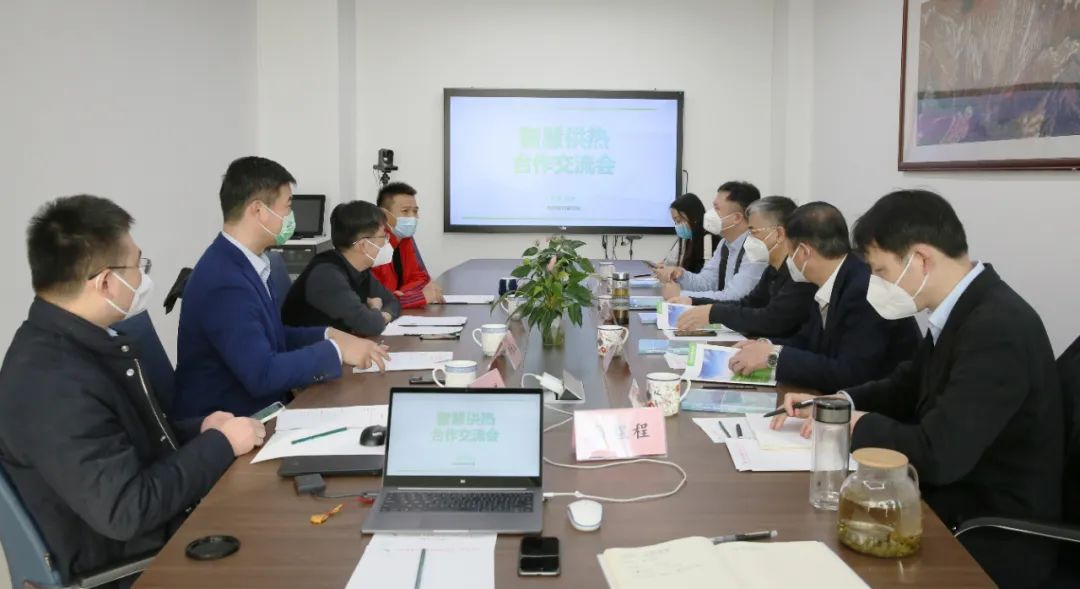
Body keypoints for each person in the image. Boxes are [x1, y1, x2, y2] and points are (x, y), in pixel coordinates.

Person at [772, 190, 1063, 589]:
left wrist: (855, 424)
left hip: (985, 531)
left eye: (881, 271)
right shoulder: (964, 309)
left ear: (921, 259)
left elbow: (939, 454)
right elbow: (905, 385)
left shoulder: (997, 328)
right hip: (945, 501)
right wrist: (840, 402)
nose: (875, 284)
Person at [0, 195, 265, 587]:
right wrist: (221, 445)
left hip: (157, 532)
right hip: (133, 566)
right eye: (139, 266)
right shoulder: (51, 384)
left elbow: (127, 440)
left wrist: (202, 429)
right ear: (106, 282)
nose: (143, 278)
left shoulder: (83, 344)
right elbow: (128, 510)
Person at [174, 157, 389, 420]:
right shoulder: (224, 280)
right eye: (287, 206)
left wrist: (329, 334)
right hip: (232, 422)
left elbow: (273, 337)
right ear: (258, 210)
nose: (290, 216)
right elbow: (262, 373)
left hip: (259, 408)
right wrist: (336, 351)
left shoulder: (249, 262)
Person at [728, 202, 918, 392]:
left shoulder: (863, 289)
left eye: (790, 252)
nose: (789, 261)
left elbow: (849, 373)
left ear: (804, 252)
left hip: (877, 402)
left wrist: (773, 358)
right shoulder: (832, 278)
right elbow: (807, 340)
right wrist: (765, 346)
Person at [674, 196, 816, 338]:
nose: (749, 239)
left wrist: (713, 313)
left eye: (753, 232)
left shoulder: (799, 274)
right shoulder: (772, 269)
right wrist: (694, 301)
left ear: (779, 234)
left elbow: (771, 319)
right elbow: (749, 303)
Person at [282, 201, 401, 336]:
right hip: (310, 347)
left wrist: (381, 316)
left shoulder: (361, 269)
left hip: (342, 343)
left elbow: (392, 302)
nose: (387, 242)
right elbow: (370, 326)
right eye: (383, 236)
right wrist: (376, 308)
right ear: (363, 245)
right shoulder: (326, 275)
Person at [655, 181, 766, 303]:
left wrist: (681, 294)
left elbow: (734, 298)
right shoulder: (724, 244)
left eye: (716, 208)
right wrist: (680, 274)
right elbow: (707, 282)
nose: (710, 213)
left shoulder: (756, 249)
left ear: (737, 218)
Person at [371, 182, 444, 308]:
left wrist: (404, 295)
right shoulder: (373, 246)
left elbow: (421, 278)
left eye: (415, 211)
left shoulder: (405, 239)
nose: (413, 217)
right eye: (405, 211)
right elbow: (378, 302)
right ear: (384, 215)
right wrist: (415, 297)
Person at [666, 193, 708, 273]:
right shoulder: (688, 239)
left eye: (678, 220)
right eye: (675, 222)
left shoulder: (708, 240)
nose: (677, 226)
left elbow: (698, 275)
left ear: (692, 215)